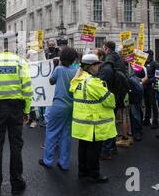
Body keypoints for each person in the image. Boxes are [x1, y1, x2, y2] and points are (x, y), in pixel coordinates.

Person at [0, 36, 32, 195]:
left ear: (0, 46)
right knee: (16, 145)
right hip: (16, 108)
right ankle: (17, 182)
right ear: (14, 46)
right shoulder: (21, 62)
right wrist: (27, 110)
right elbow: (27, 88)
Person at [69, 54, 116, 183]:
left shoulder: (77, 80)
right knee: (94, 150)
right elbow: (110, 101)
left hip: (82, 122)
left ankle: (82, 171)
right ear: (91, 66)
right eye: (97, 64)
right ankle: (94, 174)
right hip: (93, 122)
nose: (99, 66)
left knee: (83, 148)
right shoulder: (93, 83)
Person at [39, 47, 78, 171]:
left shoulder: (59, 69)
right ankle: (64, 162)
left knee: (52, 132)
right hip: (71, 106)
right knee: (66, 135)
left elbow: (51, 81)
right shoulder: (76, 70)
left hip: (58, 105)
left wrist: (56, 66)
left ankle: (48, 161)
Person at [144, 50, 159, 129]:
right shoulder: (144, 63)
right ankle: (147, 119)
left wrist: (149, 80)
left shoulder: (155, 64)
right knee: (147, 103)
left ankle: (155, 121)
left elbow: (157, 76)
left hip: (152, 87)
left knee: (153, 104)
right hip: (145, 87)